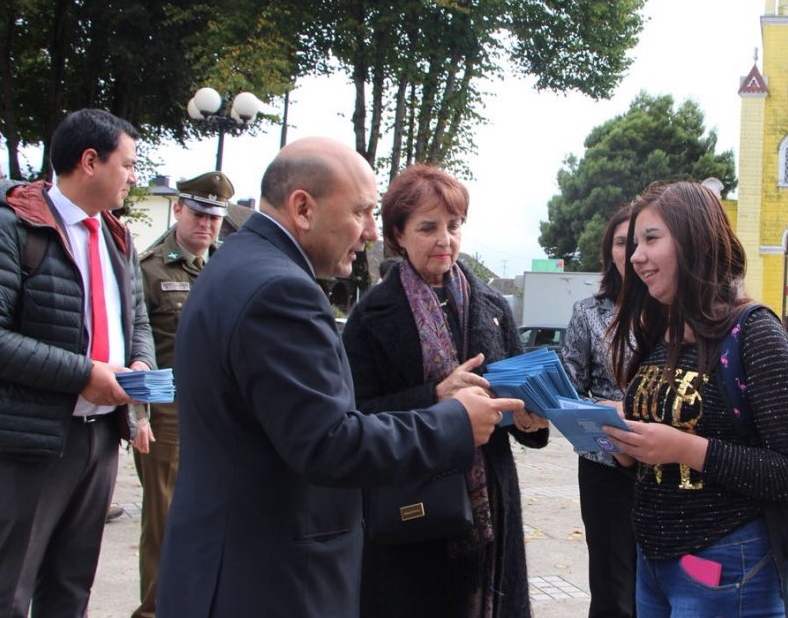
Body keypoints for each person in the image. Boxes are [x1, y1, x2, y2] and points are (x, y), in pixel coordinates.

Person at [157, 138, 523, 618]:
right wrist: (453, 419)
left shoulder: (235, 265)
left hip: (231, 564)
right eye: (360, 213)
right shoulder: (282, 291)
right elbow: (330, 441)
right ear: (304, 208)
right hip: (269, 579)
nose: (369, 232)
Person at [603, 181, 788, 618]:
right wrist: (624, 441)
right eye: (634, 243)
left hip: (727, 563)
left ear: (694, 241)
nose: (636, 256)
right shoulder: (658, 333)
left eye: (651, 239)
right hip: (653, 559)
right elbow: (659, 455)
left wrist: (684, 448)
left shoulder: (754, 332)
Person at [342, 163, 549, 617]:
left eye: (454, 226)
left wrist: (533, 420)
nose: (445, 240)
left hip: (490, 500)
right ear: (397, 234)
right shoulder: (371, 317)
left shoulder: (491, 305)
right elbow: (351, 416)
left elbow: (518, 397)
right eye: (428, 227)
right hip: (412, 503)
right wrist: (434, 398)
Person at [0, 108, 156, 616]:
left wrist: (138, 369)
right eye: (128, 164)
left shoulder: (119, 237)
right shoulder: (14, 228)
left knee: (71, 589)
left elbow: (139, 324)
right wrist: (84, 374)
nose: (134, 177)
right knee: (10, 586)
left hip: (99, 440)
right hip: (30, 444)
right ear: (90, 161)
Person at [133, 170, 234, 618]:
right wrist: (138, 414)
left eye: (214, 218)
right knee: (165, 521)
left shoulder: (227, 267)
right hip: (169, 412)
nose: (206, 226)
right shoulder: (149, 269)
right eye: (198, 214)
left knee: (213, 518)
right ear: (178, 209)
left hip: (219, 410)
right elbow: (135, 345)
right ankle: (155, 610)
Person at [560, 205, 637, 618]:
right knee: (612, 590)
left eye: (642, 240)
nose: (631, 251)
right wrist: (610, 418)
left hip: (664, 466)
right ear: (609, 251)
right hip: (604, 465)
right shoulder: (588, 312)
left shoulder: (673, 312)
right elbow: (570, 389)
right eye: (622, 242)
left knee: (657, 584)